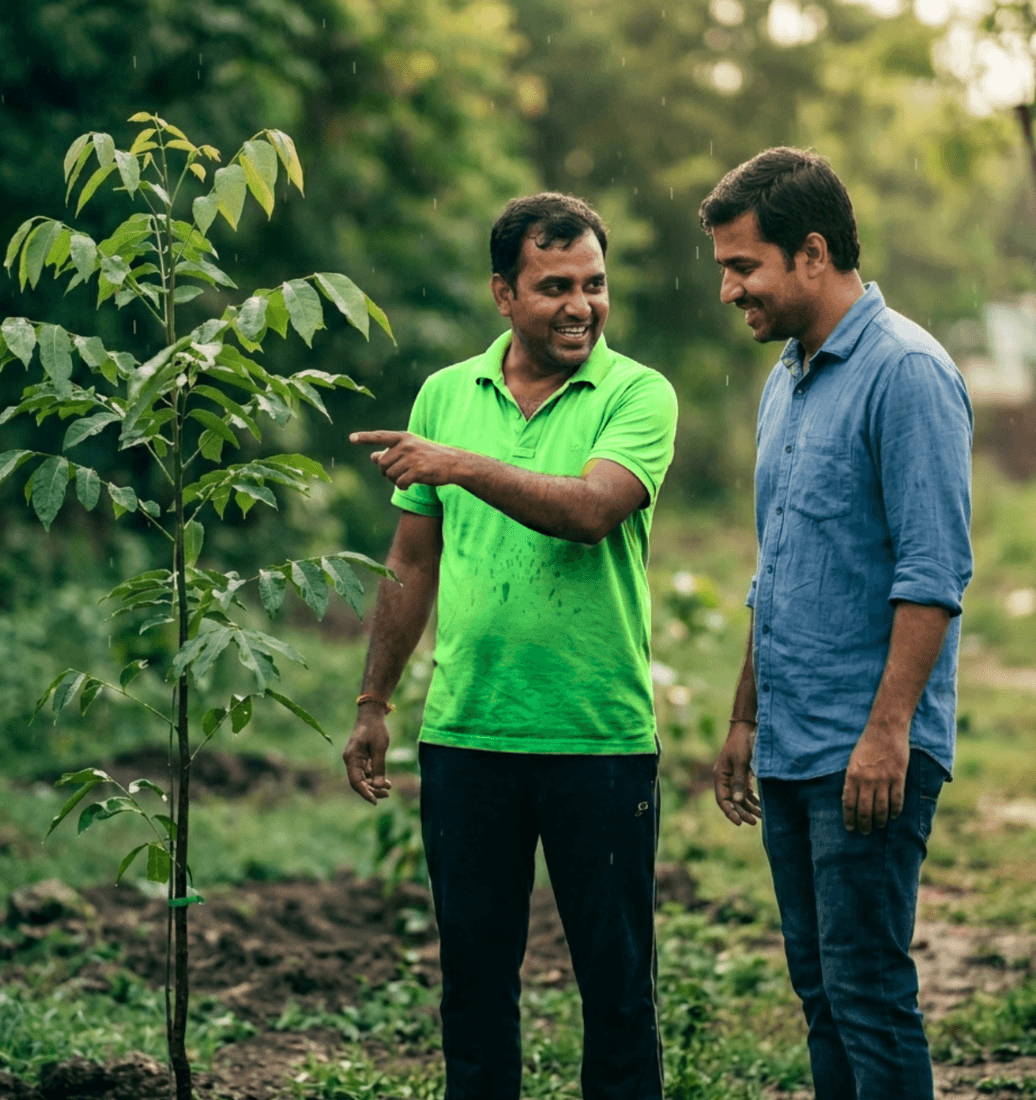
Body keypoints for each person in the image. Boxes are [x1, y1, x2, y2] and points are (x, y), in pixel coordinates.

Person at [341, 192, 678, 1100]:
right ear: (503, 293)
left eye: (595, 285)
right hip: (467, 740)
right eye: (554, 286)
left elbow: (593, 510)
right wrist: (375, 702)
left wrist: (459, 464)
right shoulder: (447, 394)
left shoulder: (638, 392)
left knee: (616, 997)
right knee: (474, 994)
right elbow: (412, 560)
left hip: (597, 740)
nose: (581, 307)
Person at [700, 148, 973, 1100]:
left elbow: (934, 575)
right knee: (820, 992)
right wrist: (745, 718)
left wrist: (888, 731)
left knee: (868, 991)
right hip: (792, 742)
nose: (730, 288)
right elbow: (781, 564)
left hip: (868, 747)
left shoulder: (908, 372)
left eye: (744, 266)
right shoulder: (788, 377)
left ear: (812, 253)